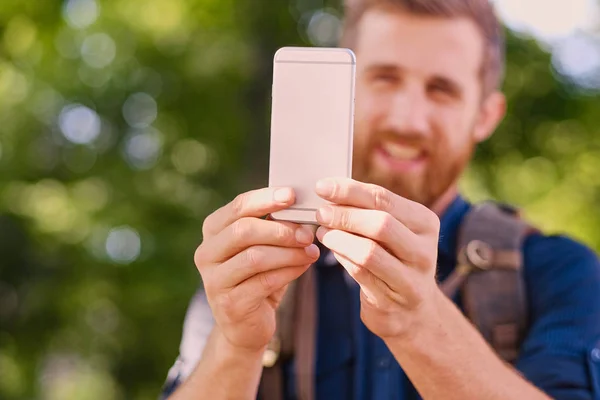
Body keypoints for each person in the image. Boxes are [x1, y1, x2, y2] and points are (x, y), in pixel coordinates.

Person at [160, 0, 600, 399]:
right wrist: (236, 347)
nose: (406, 119)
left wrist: (422, 324)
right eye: (384, 79)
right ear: (345, 91)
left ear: (485, 115)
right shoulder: (257, 263)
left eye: (441, 90)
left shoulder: (559, 271)